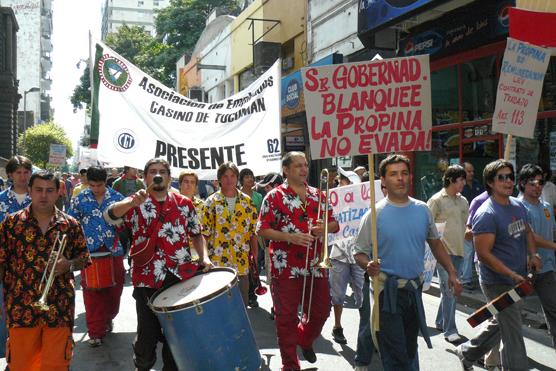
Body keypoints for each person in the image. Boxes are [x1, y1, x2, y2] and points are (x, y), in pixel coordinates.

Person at [353, 154, 462, 371]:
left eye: (404, 173)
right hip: (387, 294)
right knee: (396, 356)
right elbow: (359, 253)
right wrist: (368, 265)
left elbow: (435, 244)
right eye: (393, 174)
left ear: (410, 176)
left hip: (414, 291)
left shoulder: (422, 210)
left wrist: (451, 271)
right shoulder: (374, 215)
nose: (400, 178)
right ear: (383, 180)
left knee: (410, 348)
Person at [104, 158, 212, 371]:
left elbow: (197, 234)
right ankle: (142, 366)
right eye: (152, 171)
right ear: (144, 177)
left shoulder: (184, 203)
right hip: (147, 279)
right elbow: (109, 217)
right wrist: (131, 202)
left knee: (177, 335)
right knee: (147, 335)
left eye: (162, 171)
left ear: (169, 177)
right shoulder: (134, 203)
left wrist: (204, 257)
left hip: (179, 278)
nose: (157, 175)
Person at [456, 159, 541, 371]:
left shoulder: (519, 206)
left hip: (519, 278)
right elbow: (483, 254)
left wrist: (533, 254)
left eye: (511, 176)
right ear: (491, 182)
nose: (508, 181)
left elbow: (528, 232)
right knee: (513, 330)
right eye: (502, 177)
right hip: (497, 281)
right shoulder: (486, 213)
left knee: (502, 321)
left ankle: (467, 352)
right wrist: (511, 274)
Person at [257, 151, 339, 370]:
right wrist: (289, 237)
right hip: (286, 267)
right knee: (286, 318)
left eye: (305, 165)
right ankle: (290, 365)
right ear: (285, 170)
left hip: (315, 264)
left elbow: (334, 224)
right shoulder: (273, 196)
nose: (304, 169)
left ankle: (303, 339)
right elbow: (262, 230)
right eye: (298, 166)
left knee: (321, 311)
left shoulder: (318, 195)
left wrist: (323, 228)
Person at [0, 171, 90, 370]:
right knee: (21, 365)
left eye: (49, 190)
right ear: (30, 191)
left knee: (55, 365)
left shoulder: (70, 225)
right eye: (39, 190)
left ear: (58, 192)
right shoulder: (11, 223)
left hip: (59, 307)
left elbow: (84, 259)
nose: (43, 195)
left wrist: (69, 264)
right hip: (20, 306)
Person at [68, 166, 126, 347]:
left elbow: (129, 225)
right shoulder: (79, 199)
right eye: (92, 185)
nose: (96, 189)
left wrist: (120, 223)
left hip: (114, 251)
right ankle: (95, 331)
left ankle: (107, 317)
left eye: (99, 185)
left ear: (106, 181)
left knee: (115, 290)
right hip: (90, 253)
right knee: (91, 291)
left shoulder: (118, 199)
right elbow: (72, 224)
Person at [202, 162, 258, 306]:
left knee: (242, 303)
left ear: (237, 178)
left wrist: (256, 256)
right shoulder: (211, 202)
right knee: (220, 305)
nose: (229, 179)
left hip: (242, 263)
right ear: (219, 179)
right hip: (218, 263)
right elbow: (204, 233)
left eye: (232, 176)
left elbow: (253, 233)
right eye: (225, 176)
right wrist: (205, 257)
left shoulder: (248, 202)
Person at [427, 164, 469, 345]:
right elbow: (426, 225)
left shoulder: (464, 201)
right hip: (442, 253)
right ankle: (450, 330)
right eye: (461, 180)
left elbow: (465, 224)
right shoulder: (436, 200)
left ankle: (440, 321)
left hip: (460, 251)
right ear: (451, 179)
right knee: (451, 289)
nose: (463, 184)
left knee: (449, 290)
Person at [518, 164, 556, 348]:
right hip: (523, 271)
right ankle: (471, 351)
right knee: (509, 315)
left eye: (541, 182)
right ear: (523, 184)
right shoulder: (517, 208)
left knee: (554, 309)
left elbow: (552, 231)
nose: (539, 186)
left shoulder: (547, 207)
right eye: (534, 182)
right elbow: (531, 236)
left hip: (547, 268)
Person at [0, 156, 34, 358]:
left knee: (29, 312)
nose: (22, 177)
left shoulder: (40, 198)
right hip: (5, 264)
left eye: (26, 172)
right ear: (10, 174)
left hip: (33, 264)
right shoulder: (1, 199)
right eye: (18, 172)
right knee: (5, 309)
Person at [329, 167, 365, 345]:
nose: (347, 185)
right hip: (339, 254)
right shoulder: (333, 200)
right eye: (345, 181)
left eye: (350, 182)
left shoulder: (363, 202)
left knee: (363, 293)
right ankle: (337, 326)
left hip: (360, 254)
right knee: (338, 294)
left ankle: (366, 328)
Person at [239, 168, 264, 308]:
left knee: (255, 265)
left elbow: (261, 216)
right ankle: (245, 295)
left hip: (256, 236)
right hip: (240, 236)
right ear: (241, 179)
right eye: (246, 176)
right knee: (244, 267)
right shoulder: (237, 195)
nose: (250, 179)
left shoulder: (258, 197)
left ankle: (252, 294)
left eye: (251, 176)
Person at [461, 162, 484, 289]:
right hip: (465, 223)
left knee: (479, 250)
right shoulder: (460, 186)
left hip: (478, 221)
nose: (471, 174)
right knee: (468, 251)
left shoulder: (477, 184)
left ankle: (478, 277)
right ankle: (465, 279)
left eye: (472, 171)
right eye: (469, 171)